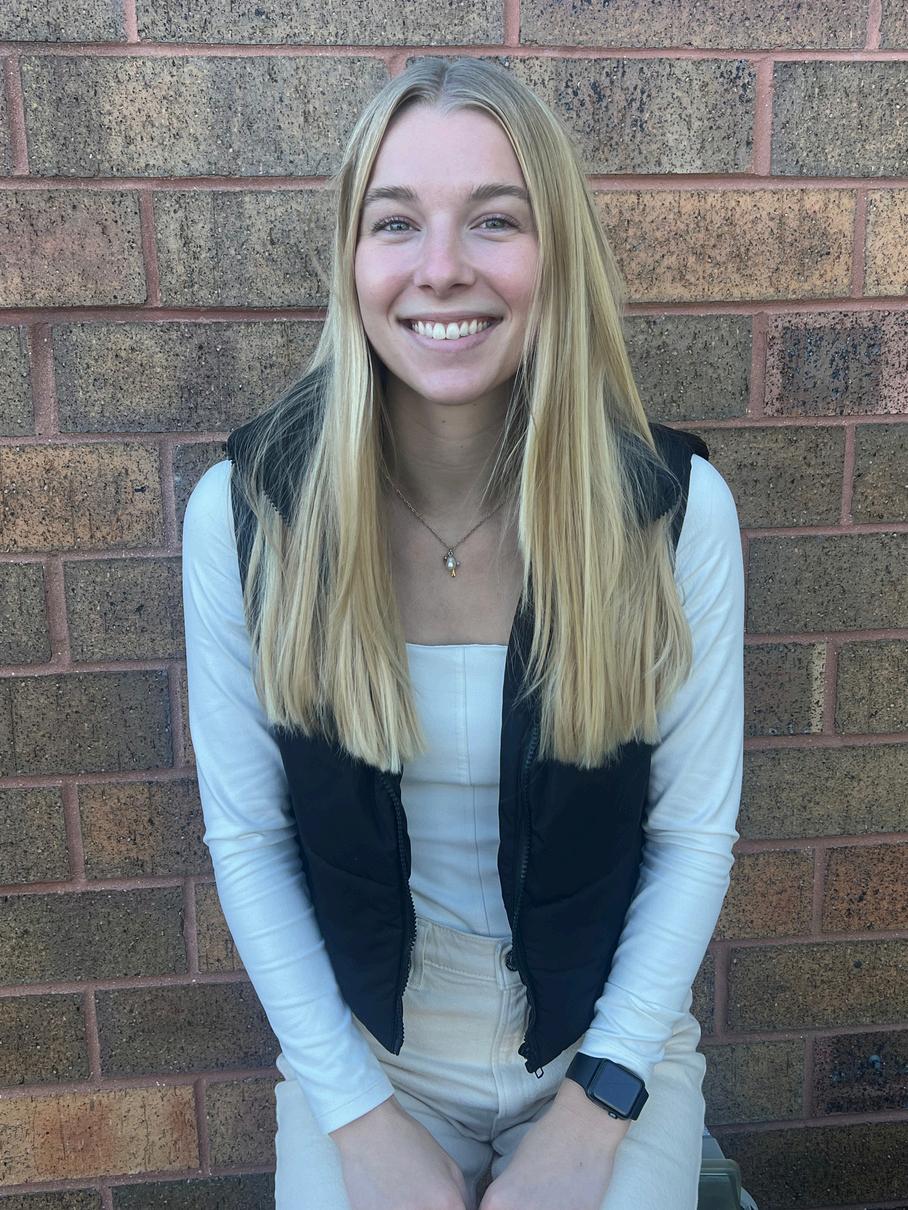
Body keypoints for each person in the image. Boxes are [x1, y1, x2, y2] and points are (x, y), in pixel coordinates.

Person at [181, 56, 744, 1210]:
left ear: (555, 254)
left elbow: (691, 837)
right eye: (396, 222)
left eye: (494, 219)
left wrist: (595, 1111)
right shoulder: (250, 514)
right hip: (365, 1067)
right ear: (351, 259)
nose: (440, 267)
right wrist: (358, 1119)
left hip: (607, 1052)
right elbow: (248, 840)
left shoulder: (671, 508)